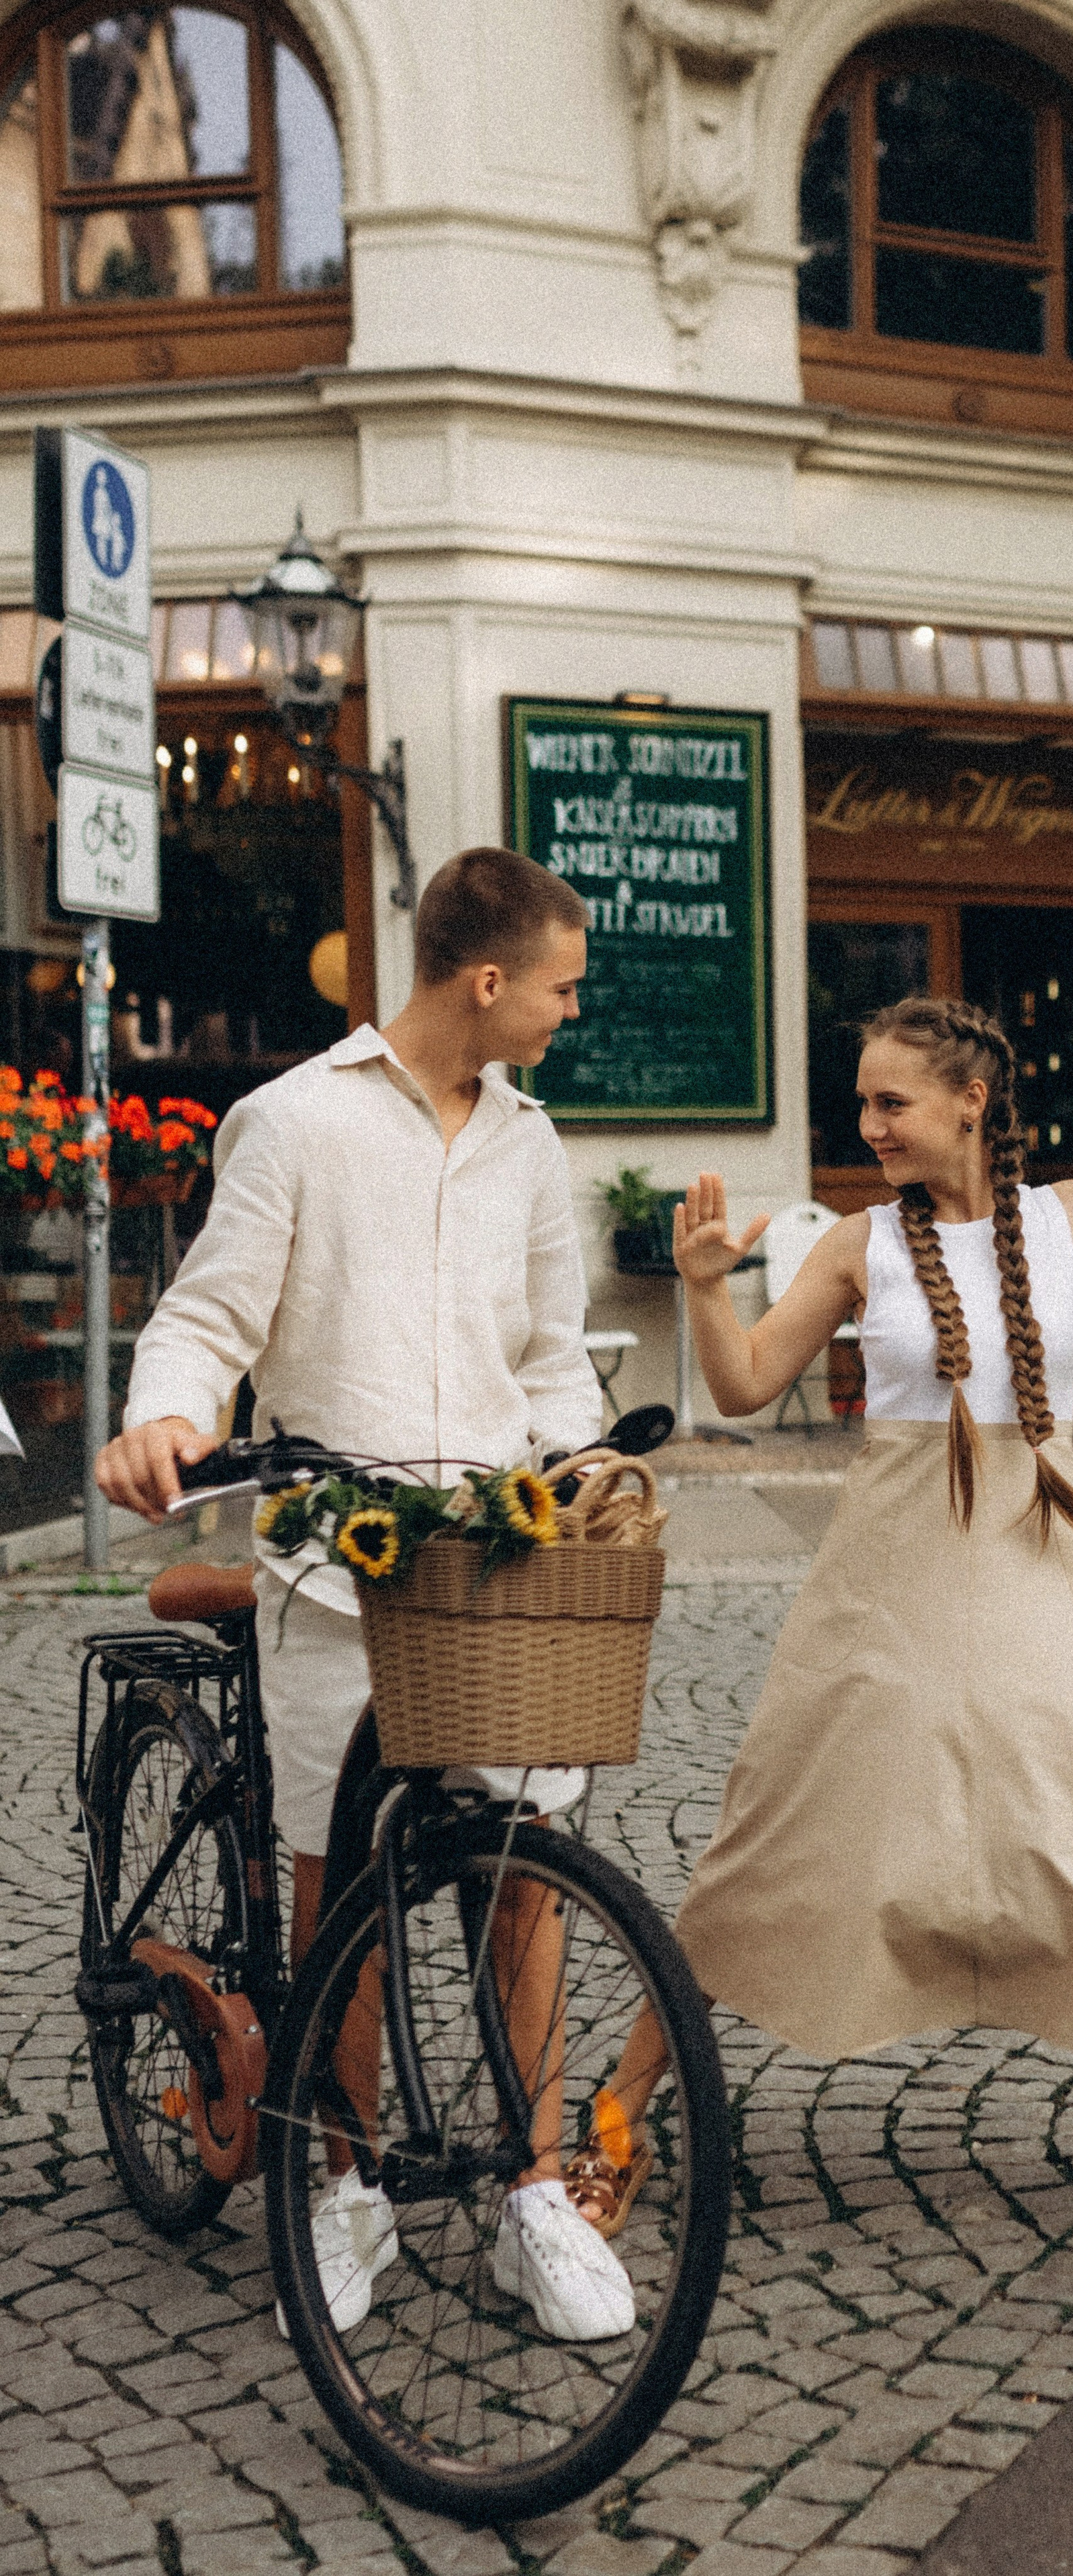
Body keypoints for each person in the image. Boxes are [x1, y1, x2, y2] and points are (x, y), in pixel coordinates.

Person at [593, 977, 1073, 2246]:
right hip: (884, 1587)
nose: (869, 1124)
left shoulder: (1071, 1218)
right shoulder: (859, 1245)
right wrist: (704, 1288)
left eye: (889, 1101)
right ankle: (615, 2122)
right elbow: (747, 1386)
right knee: (781, 1835)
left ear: (972, 1101)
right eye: (862, 1102)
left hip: (1042, 1580)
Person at [95, 846, 635, 2342]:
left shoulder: (528, 1141)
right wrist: (168, 1412)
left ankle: (530, 2193)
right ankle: (346, 2188)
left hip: (500, 1565)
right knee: (348, 1898)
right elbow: (209, 1312)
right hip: (334, 1572)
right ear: (485, 978)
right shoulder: (294, 1122)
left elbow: (548, 1350)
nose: (565, 1012)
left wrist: (581, 1459)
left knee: (528, 1865)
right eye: (559, 985)